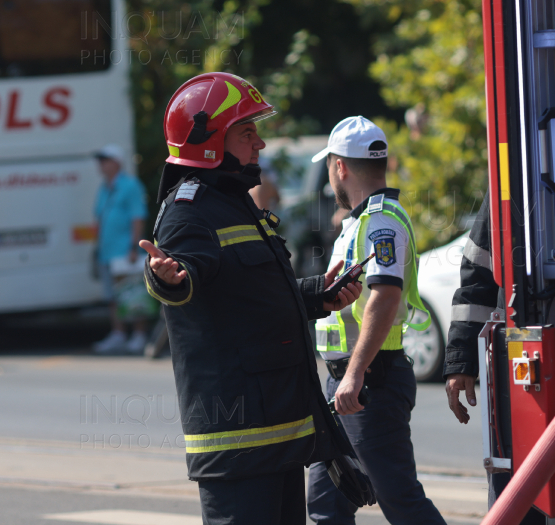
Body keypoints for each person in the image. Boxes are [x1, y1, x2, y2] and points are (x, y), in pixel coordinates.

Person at [139, 72, 363, 525]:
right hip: (238, 440)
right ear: (210, 141)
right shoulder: (189, 212)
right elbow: (185, 282)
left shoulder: (232, 201)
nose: (259, 144)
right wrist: (168, 280)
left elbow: (250, 298)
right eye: (247, 133)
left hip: (274, 431)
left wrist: (320, 295)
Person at [307, 116, 445, 525]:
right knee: (326, 503)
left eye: (330, 168)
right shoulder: (359, 222)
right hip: (348, 381)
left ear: (340, 167)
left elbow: (385, 296)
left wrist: (354, 374)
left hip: (369, 382)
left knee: (400, 500)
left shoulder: (380, 221)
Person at [443, 191, 545, 524]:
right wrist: (462, 362)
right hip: (518, 355)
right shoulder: (507, 177)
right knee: (517, 477)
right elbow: (477, 278)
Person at [91, 143, 149, 355]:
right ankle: (119, 334)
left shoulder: (130, 185)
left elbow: (137, 217)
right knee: (113, 297)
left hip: (125, 250)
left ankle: (139, 335)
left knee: (132, 294)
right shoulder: (105, 186)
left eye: (104, 160)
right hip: (107, 251)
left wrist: (134, 247)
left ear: (116, 163)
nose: (101, 165)